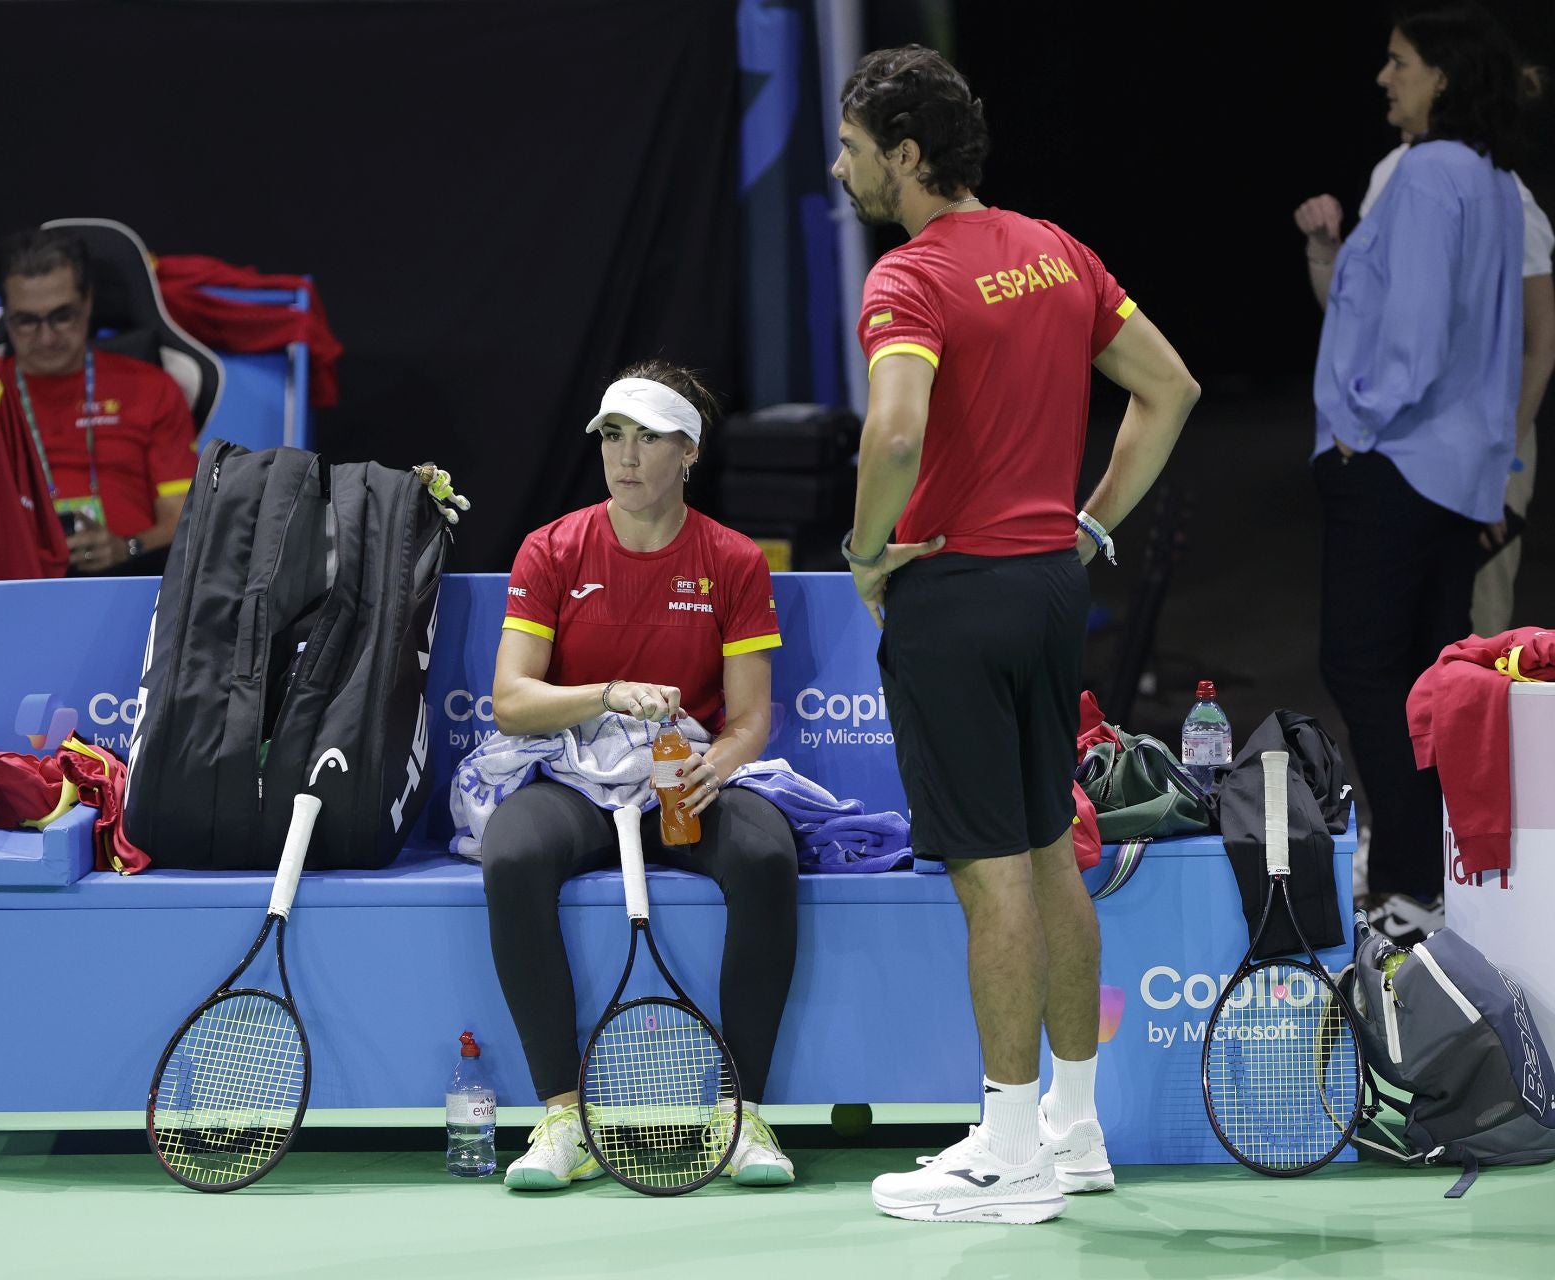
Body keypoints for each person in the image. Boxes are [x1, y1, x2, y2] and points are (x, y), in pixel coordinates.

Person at [830, 45, 1199, 1223]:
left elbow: (894, 434)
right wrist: (1090, 522)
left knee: (990, 874)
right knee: (1049, 849)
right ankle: (1072, 1127)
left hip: (956, 599)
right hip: (1049, 587)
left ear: (904, 154)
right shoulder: (1057, 251)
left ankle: (1006, 1147)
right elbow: (1172, 387)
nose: (841, 168)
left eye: (850, 148)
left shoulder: (908, 280)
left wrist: (865, 551)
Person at [478, 360, 799, 1191]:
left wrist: (714, 767)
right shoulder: (553, 549)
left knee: (766, 858)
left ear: (688, 451)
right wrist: (608, 692)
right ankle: (560, 1117)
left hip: (681, 783)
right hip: (579, 777)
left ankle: (744, 1116)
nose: (626, 457)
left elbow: (751, 719)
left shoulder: (732, 561)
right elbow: (511, 701)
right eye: (613, 437)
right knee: (512, 855)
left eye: (649, 438)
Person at [1291, 6, 1529, 941]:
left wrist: (1356, 422)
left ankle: (1404, 880)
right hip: (1459, 474)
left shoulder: (1431, 175)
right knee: (1428, 686)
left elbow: (1419, 337)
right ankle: (1438, 886)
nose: (1384, 78)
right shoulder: (1493, 180)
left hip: (1399, 464)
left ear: (1443, 75)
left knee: (1361, 668)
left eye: (1399, 62)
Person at [0, 227, 198, 603]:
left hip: (116, 574)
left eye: (62, 316)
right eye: (28, 321)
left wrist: (127, 546)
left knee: (185, 572)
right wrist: (15, 542)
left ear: (88, 302)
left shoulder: (151, 388)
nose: (47, 337)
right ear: (6, 316)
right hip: (2, 576)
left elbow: (184, 519)